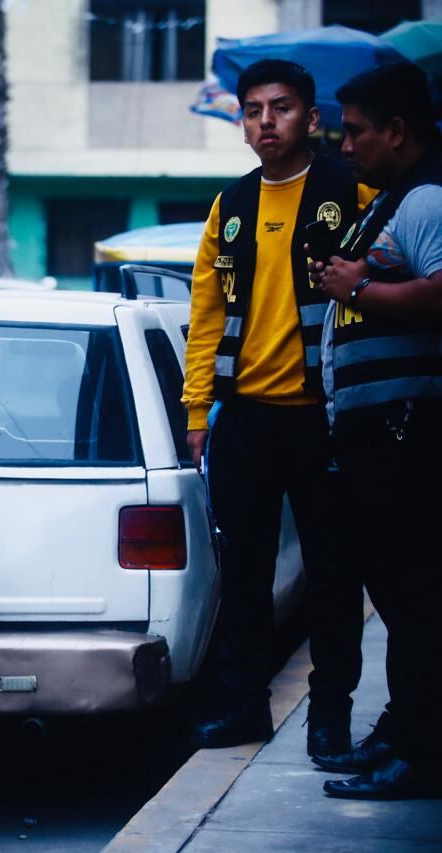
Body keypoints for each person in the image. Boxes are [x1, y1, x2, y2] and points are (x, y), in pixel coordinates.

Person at [182, 60, 373, 754]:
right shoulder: (229, 206)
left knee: (331, 572)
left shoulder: (352, 191)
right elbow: (204, 315)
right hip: (245, 419)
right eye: (255, 110)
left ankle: (330, 715)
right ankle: (243, 707)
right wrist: (198, 414)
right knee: (245, 578)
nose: (267, 121)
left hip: (325, 415)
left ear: (312, 119)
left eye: (283, 108)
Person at [310, 62, 442, 800]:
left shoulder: (428, 198)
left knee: (417, 597)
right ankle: (404, 731)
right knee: (400, 598)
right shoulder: (397, 196)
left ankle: (420, 754)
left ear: (397, 129)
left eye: (356, 130)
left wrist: (358, 286)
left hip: (408, 432)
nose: (346, 144)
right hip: (377, 434)